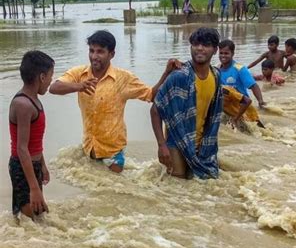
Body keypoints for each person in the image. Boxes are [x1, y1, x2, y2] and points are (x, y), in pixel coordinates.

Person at [49, 30, 162, 173]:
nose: (94, 56)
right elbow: (54, 88)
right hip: (89, 147)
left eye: (100, 52)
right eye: (91, 51)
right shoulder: (79, 74)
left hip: (113, 152)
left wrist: (166, 73)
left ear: (112, 54)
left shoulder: (123, 78)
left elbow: (151, 95)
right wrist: (79, 86)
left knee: (114, 190)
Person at [150, 28, 223, 180]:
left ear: (215, 50)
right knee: (178, 185)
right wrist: (161, 145)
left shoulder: (215, 75)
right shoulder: (179, 76)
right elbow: (155, 110)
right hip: (176, 142)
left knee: (203, 187)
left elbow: (214, 112)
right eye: (196, 44)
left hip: (203, 143)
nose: (200, 48)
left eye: (206, 44)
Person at [9, 51, 54, 218]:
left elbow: (34, 142)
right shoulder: (23, 104)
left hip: (33, 166)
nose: (51, 81)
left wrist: (42, 165)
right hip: (21, 168)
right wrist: (34, 188)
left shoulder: (34, 99)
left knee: (38, 216)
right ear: (42, 77)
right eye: (50, 76)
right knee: (29, 219)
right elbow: (21, 148)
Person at [218, 39, 266, 108]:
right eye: (221, 53)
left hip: (242, 106)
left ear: (232, 54)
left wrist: (260, 101)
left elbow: (254, 86)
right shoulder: (217, 70)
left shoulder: (240, 69)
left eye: (226, 53)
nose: (223, 56)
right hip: (227, 106)